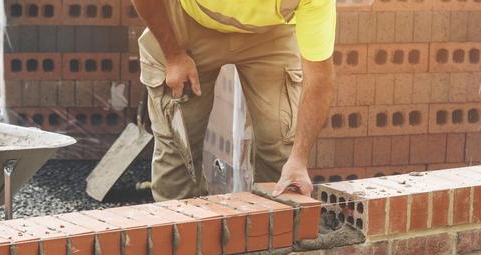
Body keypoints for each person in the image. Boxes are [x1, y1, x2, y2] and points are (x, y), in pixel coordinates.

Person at [133, 0, 335, 201]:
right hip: (189, 20)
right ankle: (181, 225)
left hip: (269, 31)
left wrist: (299, 159)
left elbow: (319, 76)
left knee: (281, 148)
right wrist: (173, 55)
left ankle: (277, 226)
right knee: (179, 150)